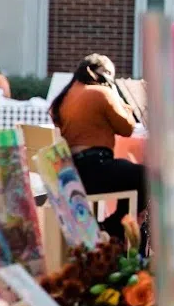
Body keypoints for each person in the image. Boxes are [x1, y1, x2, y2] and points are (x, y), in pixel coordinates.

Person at [49, 54, 144, 215]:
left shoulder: (64, 97)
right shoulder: (101, 93)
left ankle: (111, 226)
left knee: (127, 171)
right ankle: (115, 227)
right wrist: (119, 98)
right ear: (102, 73)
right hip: (94, 170)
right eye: (110, 76)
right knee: (146, 176)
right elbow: (127, 129)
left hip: (70, 173)